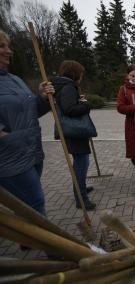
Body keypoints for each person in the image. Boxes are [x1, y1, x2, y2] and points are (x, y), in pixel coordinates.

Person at [0, 30, 54, 217]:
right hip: (9, 157)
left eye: (8, 46)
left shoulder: (14, 80)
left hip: (32, 151)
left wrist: (42, 97)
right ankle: (50, 245)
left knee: (26, 203)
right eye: (2, 46)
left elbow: (31, 112)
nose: (9, 51)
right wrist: (7, 138)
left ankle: (26, 240)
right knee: (36, 202)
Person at [52, 60, 96, 210]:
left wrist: (79, 101)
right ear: (75, 73)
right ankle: (81, 197)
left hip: (71, 130)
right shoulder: (68, 87)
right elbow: (69, 109)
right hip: (74, 130)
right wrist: (85, 105)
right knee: (81, 163)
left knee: (81, 162)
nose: (82, 77)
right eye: (81, 74)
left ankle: (81, 188)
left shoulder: (64, 86)